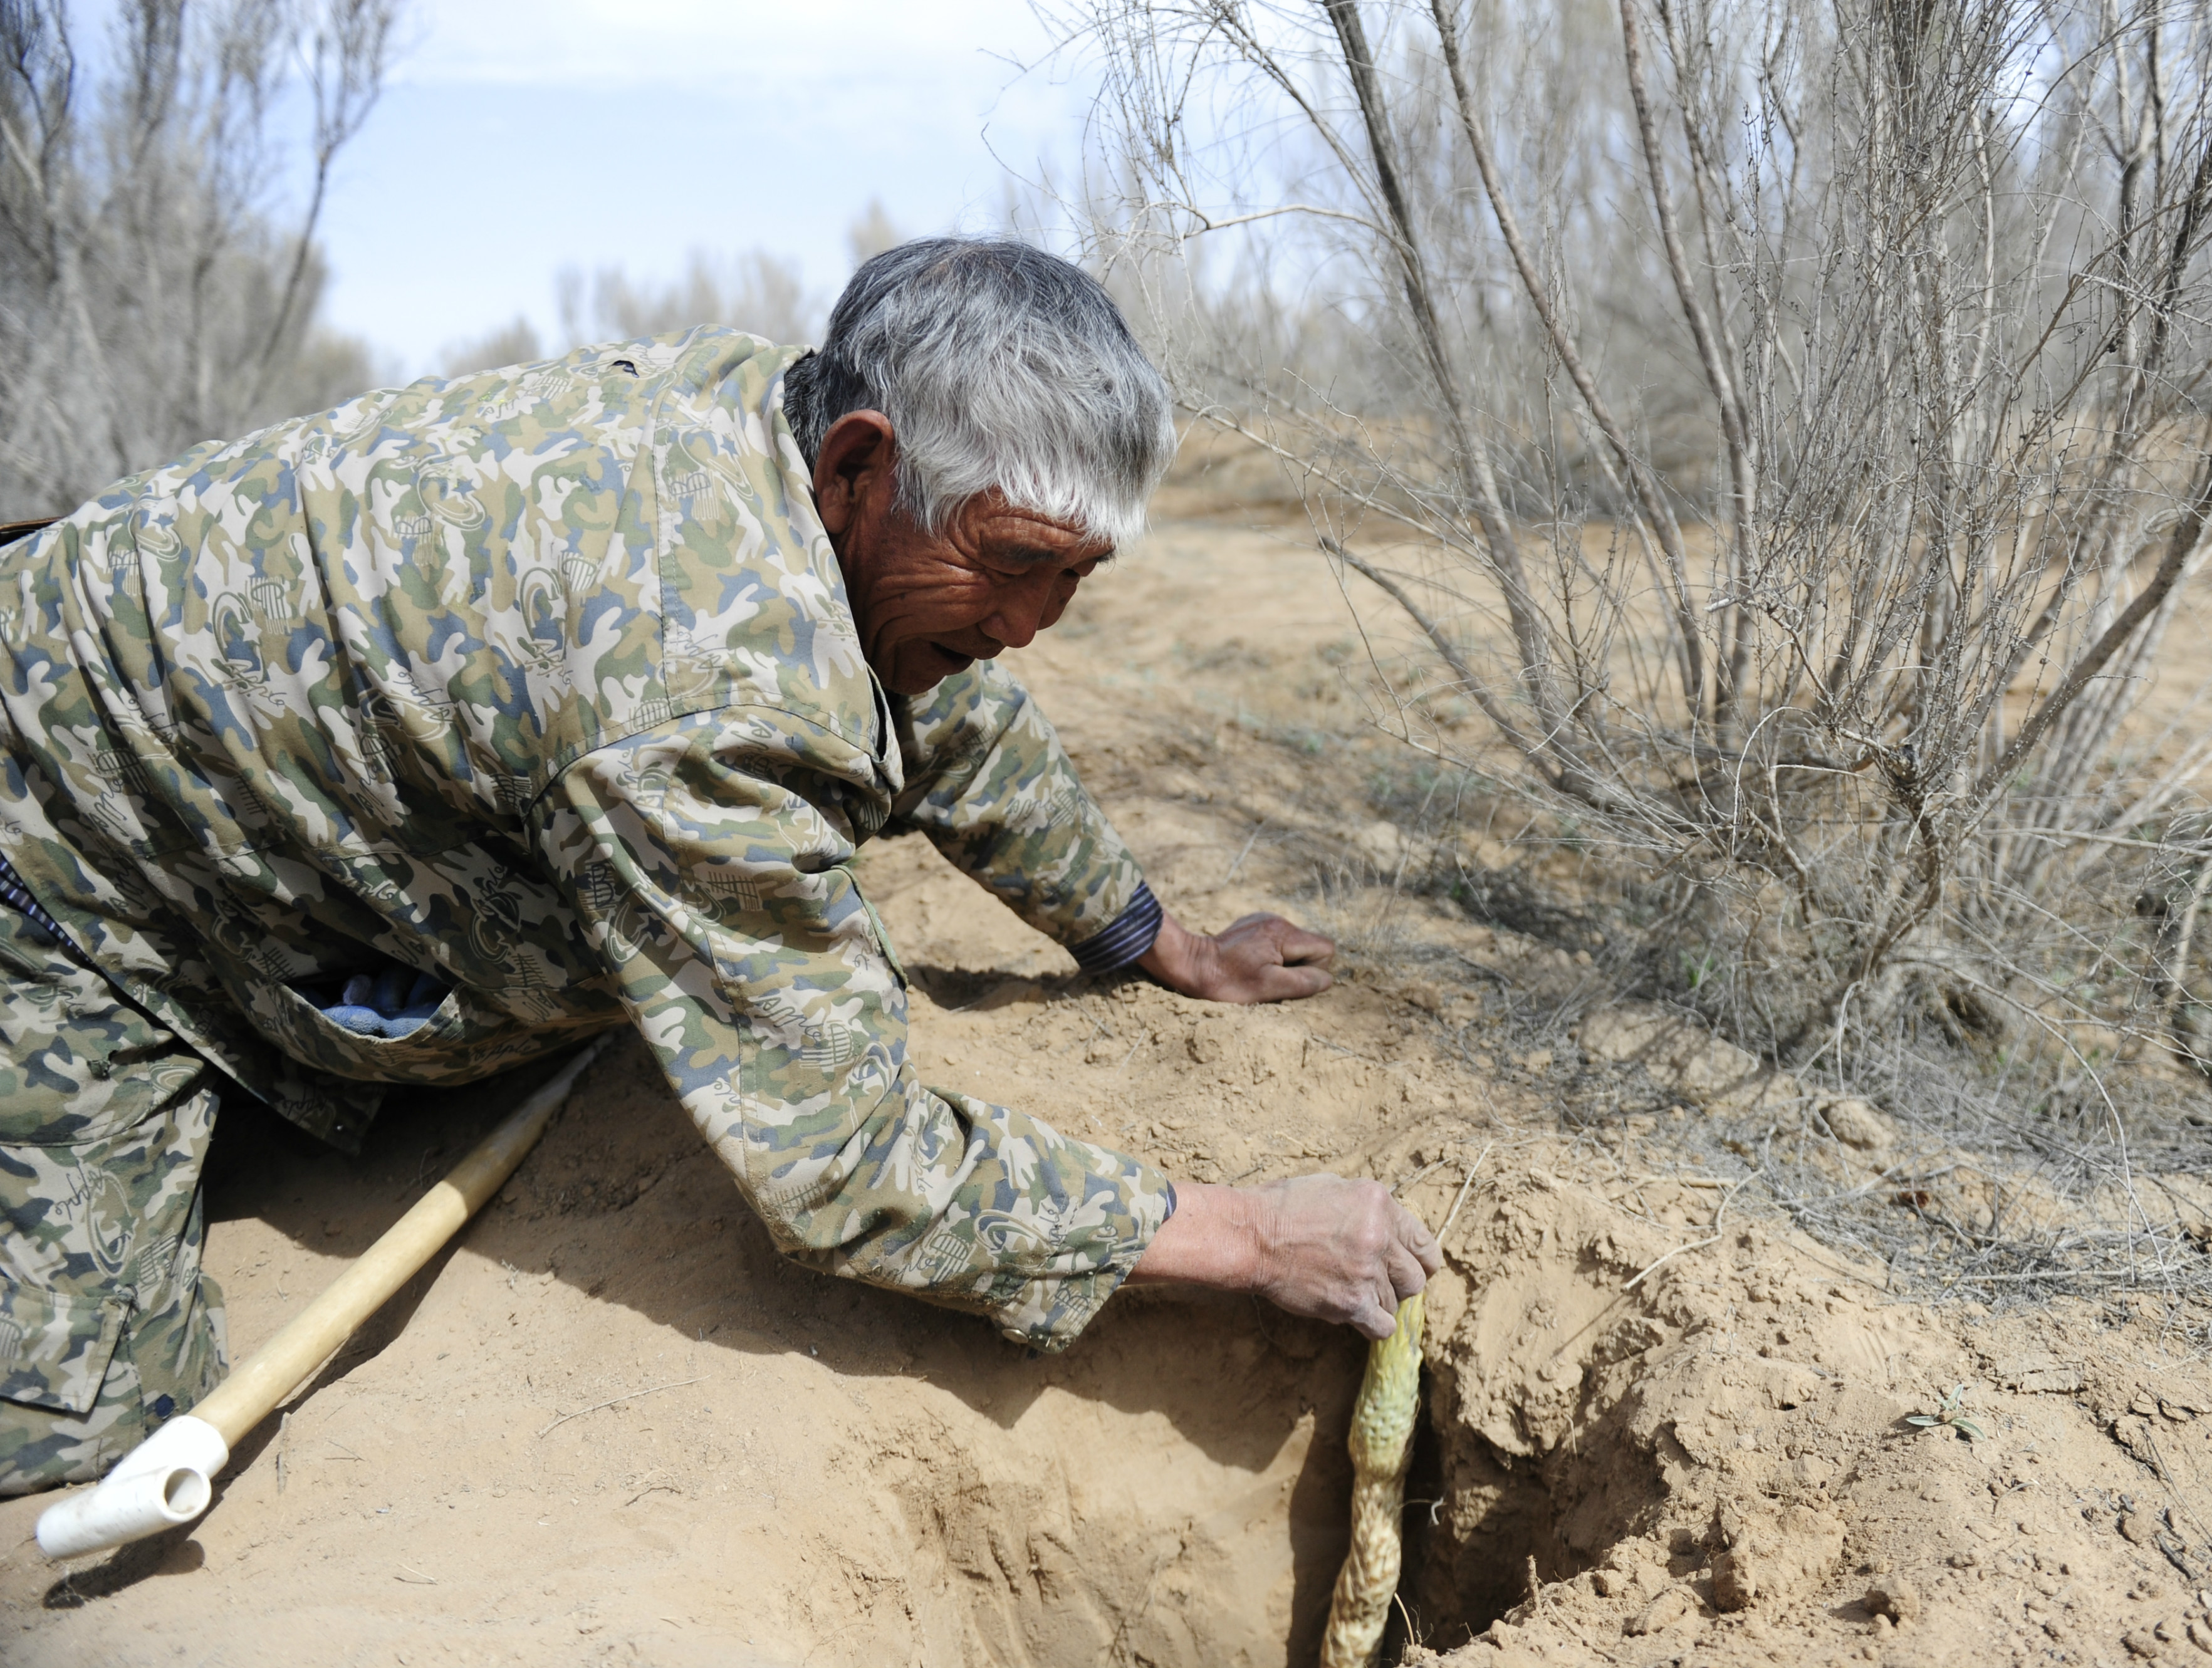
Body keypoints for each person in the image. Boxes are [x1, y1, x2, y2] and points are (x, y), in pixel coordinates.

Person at [0, 237, 1441, 1495]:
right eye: (1013, 561)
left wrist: (1151, 937)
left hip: (190, 765)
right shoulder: (701, 677)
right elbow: (845, 1164)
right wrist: (1250, 1238)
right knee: (76, 1417)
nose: (1033, 621)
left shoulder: (791, 431)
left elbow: (947, 704)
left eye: (1076, 576)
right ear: (858, 465)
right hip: (49, 852)